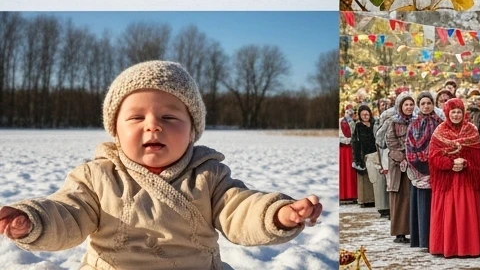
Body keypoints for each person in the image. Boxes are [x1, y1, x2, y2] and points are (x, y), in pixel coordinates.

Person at [0, 61, 320, 265]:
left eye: (169, 117)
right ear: (115, 130)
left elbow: (240, 209)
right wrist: (33, 220)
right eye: (137, 117)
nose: (153, 126)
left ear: (193, 130)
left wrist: (277, 214)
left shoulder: (208, 175)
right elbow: (68, 212)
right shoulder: (97, 176)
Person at [427, 98, 480, 258]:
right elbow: (433, 157)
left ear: (464, 113)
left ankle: (469, 248)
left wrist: (465, 163)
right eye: (453, 112)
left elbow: (479, 158)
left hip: (467, 180)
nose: (457, 115)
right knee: (448, 215)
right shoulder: (439, 131)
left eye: (459, 112)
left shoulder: (472, 130)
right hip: (447, 181)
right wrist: (450, 163)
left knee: (466, 214)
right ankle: (446, 247)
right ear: (447, 113)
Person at [405, 92, 442, 249]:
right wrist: (422, 169)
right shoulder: (413, 125)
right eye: (423, 103)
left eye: (429, 103)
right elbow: (409, 147)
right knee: (424, 207)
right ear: (419, 106)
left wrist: (438, 166)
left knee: (438, 207)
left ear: (433, 104)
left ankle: (438, 238)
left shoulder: (440, 123)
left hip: (439, 171)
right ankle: (424, 240)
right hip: (421, 171)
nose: (426, 106)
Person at [385, 92, 415, 244]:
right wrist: (402, 156)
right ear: (400, 106)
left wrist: (414, 156)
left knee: (410, 197)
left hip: (414, 163)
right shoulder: (393, 122)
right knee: (399, 197)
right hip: (398, 165)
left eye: (411, 104)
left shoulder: (417, 121)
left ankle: (411, 229)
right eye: (406, 104)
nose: (409, 107)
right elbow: (390, 141)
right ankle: (399, 232)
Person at [352, 104, 378, 209]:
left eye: (367, 114)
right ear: (360, 115)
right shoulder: (358, 126)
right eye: (363, 115)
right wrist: (357, 158)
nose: (365, 116)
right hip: (363, 153)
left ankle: (375, 199)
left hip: (375, 153)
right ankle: (365, 200)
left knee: (375, 176)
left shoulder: (374, 124)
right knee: (365, 178)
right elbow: (355, 141)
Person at [339, 107, 358, 203]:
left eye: (351, 112)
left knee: (350, 171)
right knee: (344, 170)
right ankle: (343, 194)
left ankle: (352, 193)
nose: (349, 114)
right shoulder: (341, 121)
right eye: (347, 112)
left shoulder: (353, 122)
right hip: (343, 149)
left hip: (350, 149)